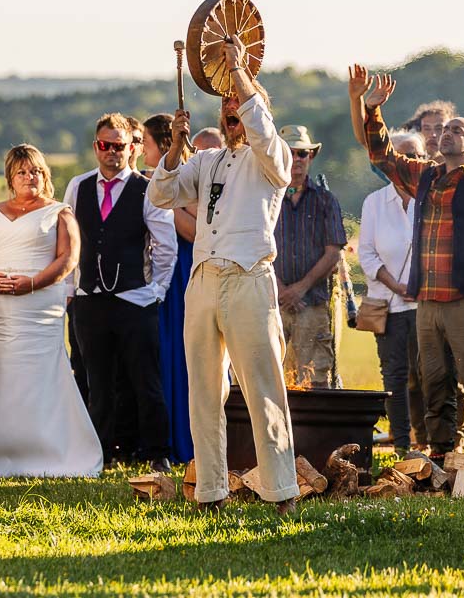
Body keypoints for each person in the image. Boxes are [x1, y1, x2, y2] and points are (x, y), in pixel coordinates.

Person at [352, 58, 464, 484]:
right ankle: (440, 462)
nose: (446, 133)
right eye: (444, 129)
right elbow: (380, 154)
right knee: (434, 384)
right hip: (428, 300)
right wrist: (372, 109)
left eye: (457, 130)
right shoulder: (425, 177)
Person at [148, 36, 299, 514]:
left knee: (263, 388)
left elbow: (262, 130)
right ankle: (211, 491)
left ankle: (282, 491)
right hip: (204, 283)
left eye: (239, 102)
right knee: (204, 393)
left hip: (250, 277)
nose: (230, 107)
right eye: (225, 104)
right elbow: (162, 194)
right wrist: (173, 150)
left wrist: (239, 73)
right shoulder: (208, 160)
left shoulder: (271, 158)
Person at [0, 145, 100, 477]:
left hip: (39, 304)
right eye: (23, 172)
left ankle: (46, 448)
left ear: (46, 176)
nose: (31, 177)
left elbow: (68, 259)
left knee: (39, 372)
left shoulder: (59, 212)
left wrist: (31, 283)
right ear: (10, 178)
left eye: (37, 172)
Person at [70, 113, 176, 471]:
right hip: (89, 299)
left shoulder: (147, 189)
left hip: (135, 298)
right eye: (104, 145)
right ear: (96, 147)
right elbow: (70, 243)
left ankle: (155, 451)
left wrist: (155, 290)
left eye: (119, 146)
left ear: (132, 148)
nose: (111, 152)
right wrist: (73, 289)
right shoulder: (79, 186)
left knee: (144, 379)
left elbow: (165, 246)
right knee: (95, 381)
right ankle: (99, 453)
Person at [358, 130, 428, 454]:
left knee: (429, 374)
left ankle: (430, 442)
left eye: (414, 154)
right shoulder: (374, 202)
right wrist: (396, 285)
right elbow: (367, 254)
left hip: (426, 304)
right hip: (389, 304)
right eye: (401, 154)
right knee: (395, 377)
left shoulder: (430, 199)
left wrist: (419, 285)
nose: (407, 161)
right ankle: (401, 444)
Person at [274, 125, 346, 388]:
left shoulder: (326, 200)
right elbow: (255, 247)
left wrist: (299, 289)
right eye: (290, 153)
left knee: (315, 382)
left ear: (311, 157)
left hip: (312, 304)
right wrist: (281, 290)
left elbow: (333, 252)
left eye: (302, 153)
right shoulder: (263, 197)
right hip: (271, 303)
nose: (296, 160)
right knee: (270, 382)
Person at [142, 112, 195, 463]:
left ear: (163, 144)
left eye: (144, 142)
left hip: (184, 270)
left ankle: (185, 440)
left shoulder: (184, 176)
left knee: (182, 353)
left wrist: (162, 205)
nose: (141, 149)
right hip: (166, 276)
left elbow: (197, 228)